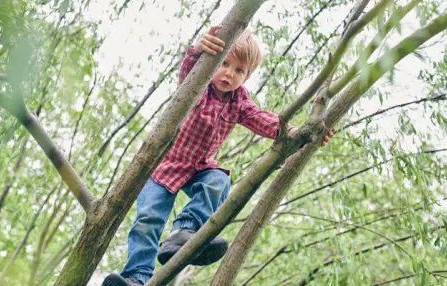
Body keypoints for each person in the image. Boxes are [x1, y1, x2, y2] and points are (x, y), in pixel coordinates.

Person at [103, 25, 334, 286]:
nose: (229, 74)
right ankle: (136, 278)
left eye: (239, 71)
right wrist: (198, 51)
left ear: (247, 77)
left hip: (200, 167)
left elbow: (265, 120)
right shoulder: (199, 84)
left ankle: (185, 231)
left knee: (218, 181)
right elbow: (189, 70)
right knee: (148, 220)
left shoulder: (239, 102)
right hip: (163, 167)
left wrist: (300, 134)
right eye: (224, 64)